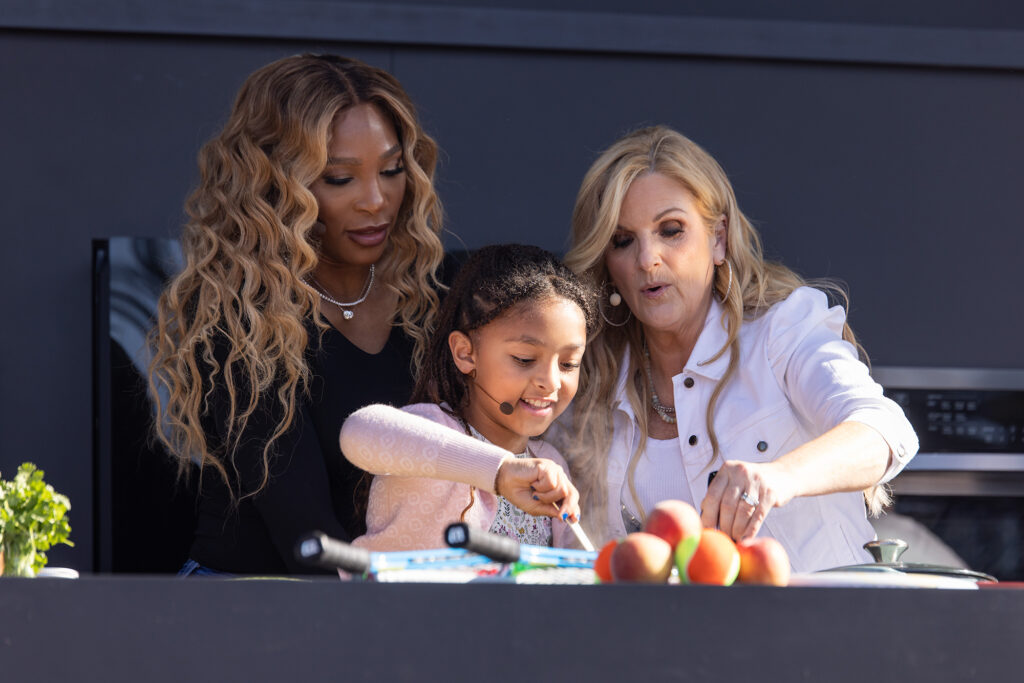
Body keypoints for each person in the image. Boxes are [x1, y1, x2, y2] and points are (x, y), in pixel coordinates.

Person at [555, 126, 919, 572]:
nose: (647, 259)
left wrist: (780, 476)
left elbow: (886, 430)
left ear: (718, 239)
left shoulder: (782, 330)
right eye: (623, 240)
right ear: (607, 264)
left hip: (827, 626)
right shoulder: (587, 376)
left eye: (671, 231)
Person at [149, 54, 446, 575]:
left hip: (388, 598)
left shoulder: (430, 299)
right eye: (339, 179)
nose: (376, 200)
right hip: (254, 599)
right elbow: (306, 532)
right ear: (275, 184)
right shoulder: (239, 314)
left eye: (392, 169)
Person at [339, 244, 594, 551]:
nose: (550, 382)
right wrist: (499, 472)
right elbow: (359, 431)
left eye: (569, 364)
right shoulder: (435, 429)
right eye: (525, 359)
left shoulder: (550, 464)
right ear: (465, 353)